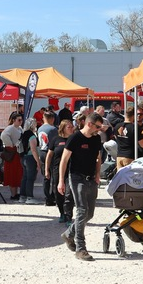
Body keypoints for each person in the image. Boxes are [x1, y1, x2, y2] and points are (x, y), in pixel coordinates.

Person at [58, 112, 105, 261]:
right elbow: (64, 160)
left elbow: (98, 158)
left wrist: (98, 174)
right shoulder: (75, 138)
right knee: (81, 211)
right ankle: (81, 248)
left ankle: (68, 234)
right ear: (89, 124)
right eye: (97, 126)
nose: (99, 129)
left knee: (89, 214)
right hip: (76, 177)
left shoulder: (96, 138)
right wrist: (61, 181)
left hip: (91, 178)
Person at [46, 119, 75, 223]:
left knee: (69, 193)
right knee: (58, 192)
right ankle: (62, 212)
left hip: (71, 169)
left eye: (72, 127)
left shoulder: (74, 139)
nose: (71, 129)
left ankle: (68, 215)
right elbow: (49, 155)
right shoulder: (56, 140)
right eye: (69, 127)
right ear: (63, 128)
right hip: (57, 169)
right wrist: (46, 170)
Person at [0, 112, 24, 201]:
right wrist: (10, 145)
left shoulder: (19, 128)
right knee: (12, 173)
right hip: (12, 154)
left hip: (17, 153)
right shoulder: (10, 128)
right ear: (14, 120)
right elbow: (3, 135)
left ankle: (16, 193)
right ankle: (13, 194)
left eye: (21, 120)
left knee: (17, 173)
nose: (21, 121)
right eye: (19, 120)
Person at [114, 104, 143, 170]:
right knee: (129, 176)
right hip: (130, 157)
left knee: (120, 176)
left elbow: (116, 137)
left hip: (119, 156)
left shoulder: (117, 126)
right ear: (134, 115)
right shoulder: (135, 127)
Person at [37, 110, 58, 205]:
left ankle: (47, 197)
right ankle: (53, 196)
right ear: (52, 119)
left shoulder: (40, 128)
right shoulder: (53, 129)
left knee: (46, 176)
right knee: (54, 175)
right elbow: (55, 142)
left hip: (42, 151)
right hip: (50, 152)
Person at [20, 119, 40, 204]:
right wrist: (38, 161)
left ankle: (22, 196)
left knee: (25, 177)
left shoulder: (24, 134)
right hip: (30, 158)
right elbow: (33, 149)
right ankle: (29, 197)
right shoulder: (31, 135)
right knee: (30, 178)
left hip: (23, 157)